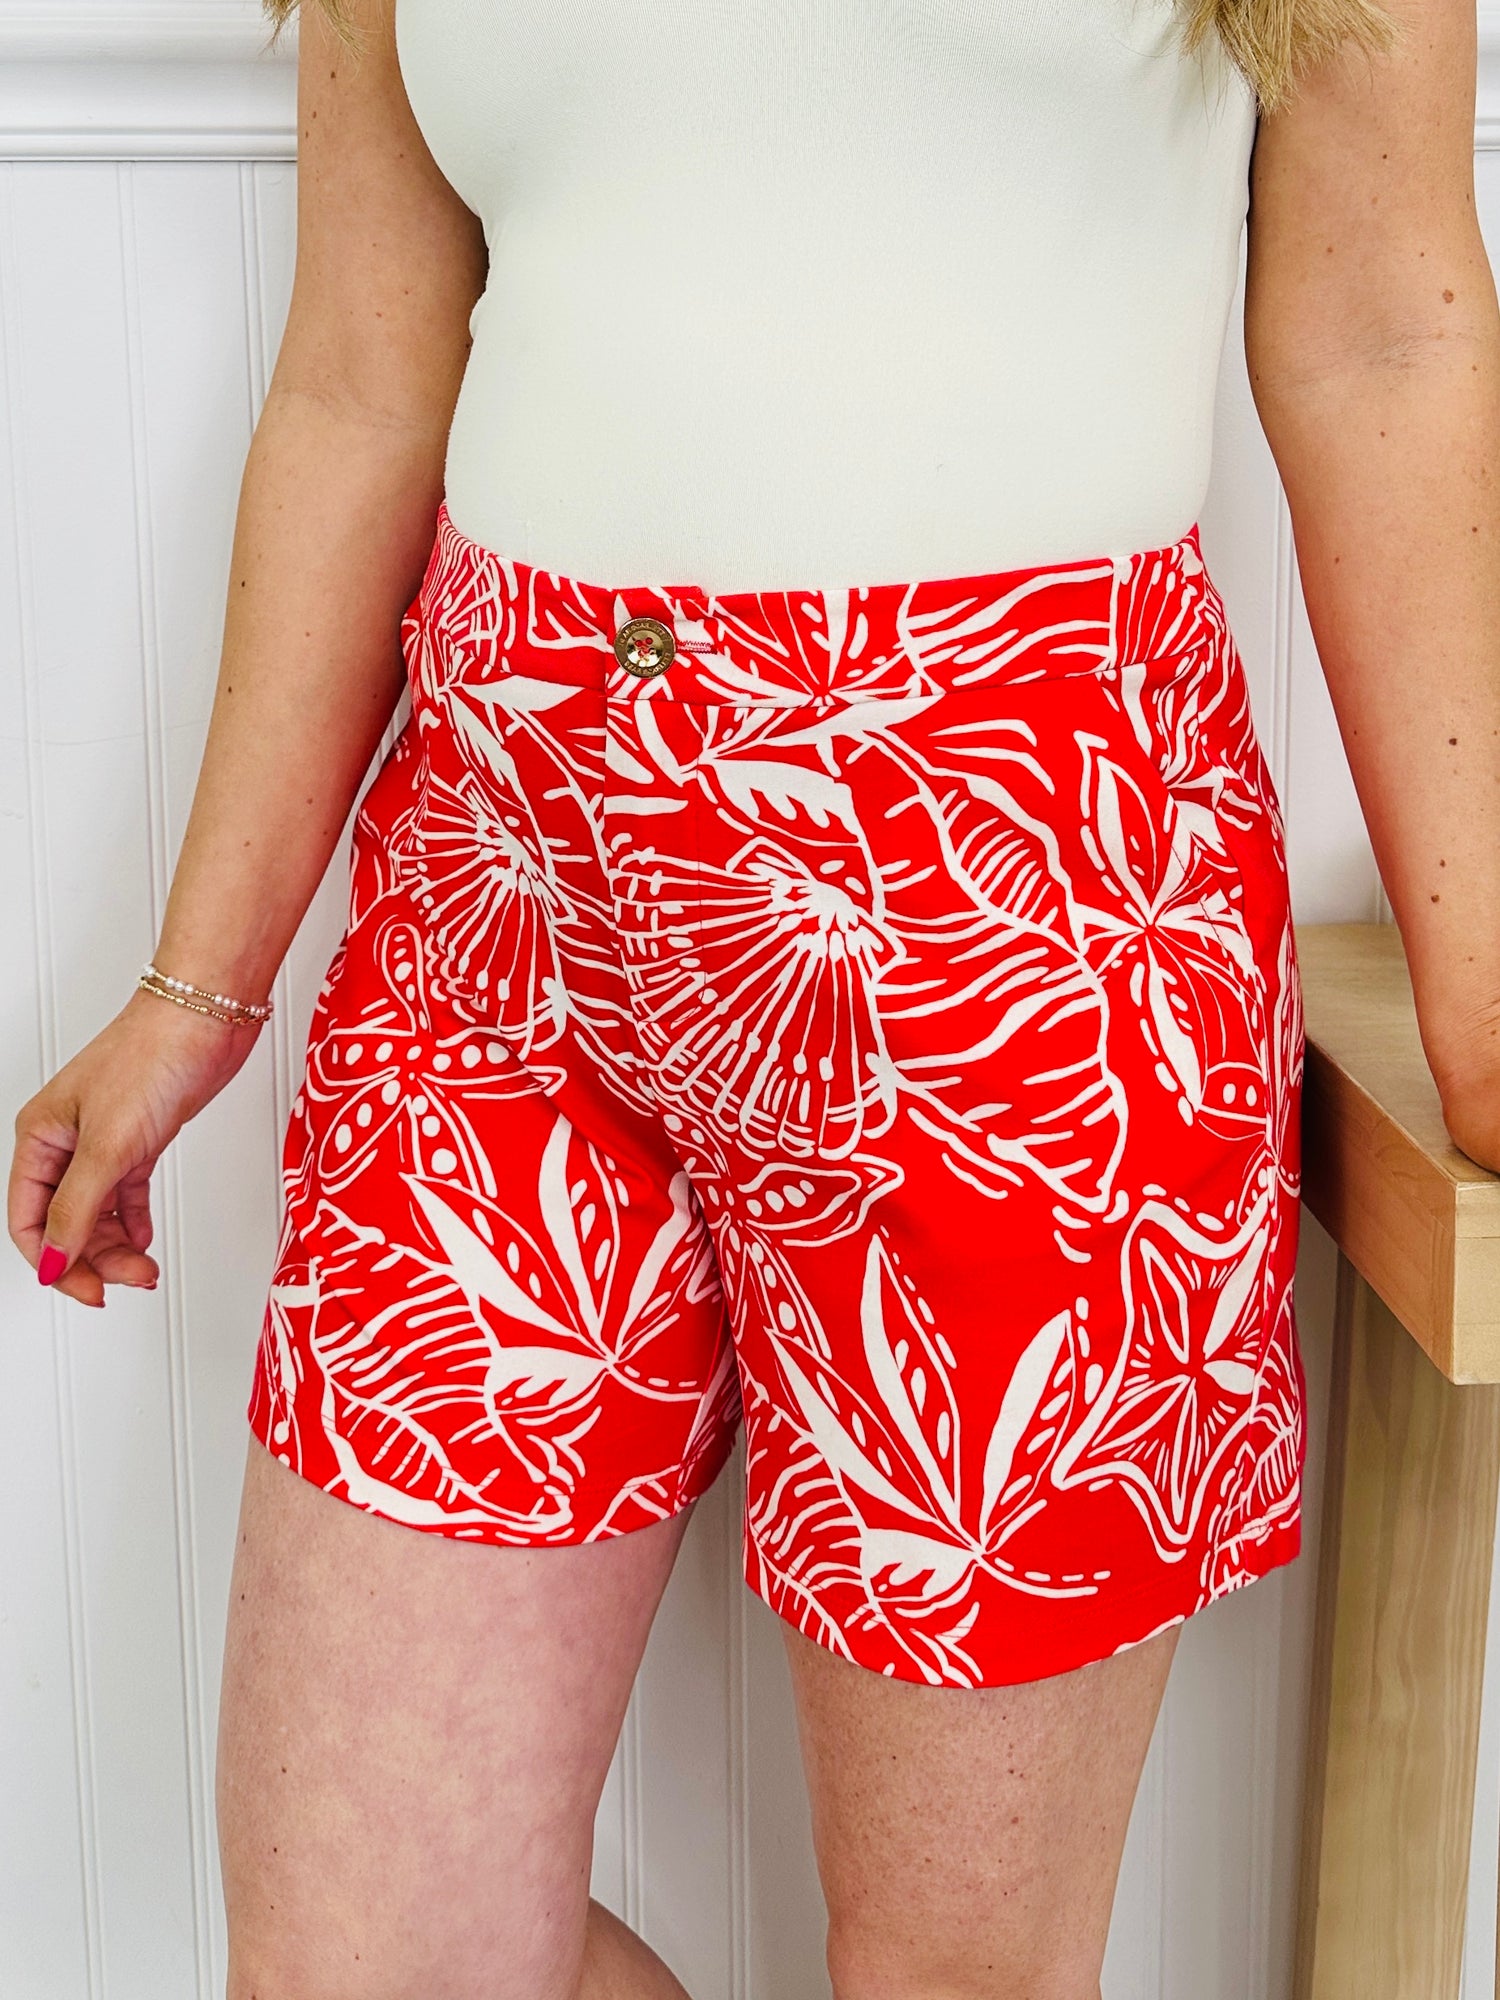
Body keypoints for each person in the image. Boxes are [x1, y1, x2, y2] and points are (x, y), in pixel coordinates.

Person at [9, 0, 1500, 1991]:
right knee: (371, 1954)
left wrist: (1485, 1011)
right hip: (499, 908)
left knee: (954, 1974)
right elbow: (362, 376)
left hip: (1015, 928)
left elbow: (1383, 335)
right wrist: (197, 985)